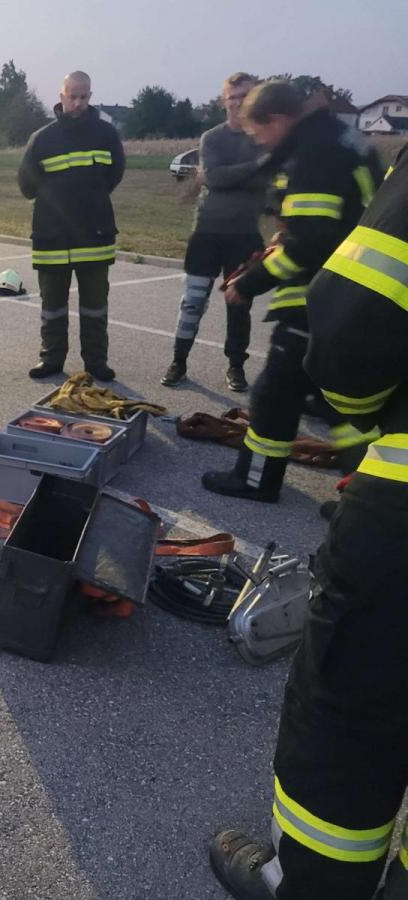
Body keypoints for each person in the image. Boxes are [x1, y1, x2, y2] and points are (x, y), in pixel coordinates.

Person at [208, 145, 408, 900]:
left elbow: (353, 319)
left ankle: (313, 885)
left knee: (354, 711)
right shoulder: (336, 154)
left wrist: (369, 427)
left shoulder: (319, 162)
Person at [201, 80, 375, 503]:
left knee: (276, 392)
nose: (258, 141)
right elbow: (331, 221)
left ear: (277, 120)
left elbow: (310, 243)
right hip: (359, 292)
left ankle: (258, 481)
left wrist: (250, 283)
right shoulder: (338, 138)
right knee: (339, 404)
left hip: (325, 295)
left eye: (258, 131)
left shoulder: (312, 156)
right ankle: (371, 498)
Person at [19, 71, 126, 383]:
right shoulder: (42, 139)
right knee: (52, 306)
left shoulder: (106, 135)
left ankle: (96, 362)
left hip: (94, 234)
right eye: (72, 96)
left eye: (83, 96)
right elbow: (26, 185)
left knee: (95, 307)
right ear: (61, 97)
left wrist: (88, 198)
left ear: (90, 96)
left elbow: (114, 175)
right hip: (52, 235)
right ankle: (51, 358)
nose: (77, 103)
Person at [162, 73, 266, 392]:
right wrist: (256, 166)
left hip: (245, 235)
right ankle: (178, 361)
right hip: (207, 232)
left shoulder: (263, 138)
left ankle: (236, 366)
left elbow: (262, 180)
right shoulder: (212, 138)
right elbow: (216, 178)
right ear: (224, 101)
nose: (238, 102)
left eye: (245, 96)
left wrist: (230, 175)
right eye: (233, 97)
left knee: (239, 306)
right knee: (193, 302)